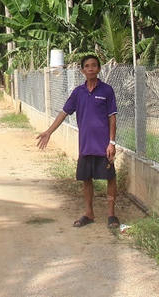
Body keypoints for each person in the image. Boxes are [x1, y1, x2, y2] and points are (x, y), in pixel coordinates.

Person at [36, 54, 119, 228]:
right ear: (82, 70)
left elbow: (112, 118)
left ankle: (111, 215)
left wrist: (112, 142)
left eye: (94, 65)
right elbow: (64, 112)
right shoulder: (78, 92)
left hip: (103, 146)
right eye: (87, 66)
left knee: (110, 178)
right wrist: (49, 132)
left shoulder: (107, 90)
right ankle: (89, 213)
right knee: (86, 179)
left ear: (99, 68)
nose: (91, 68)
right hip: (85, 145)